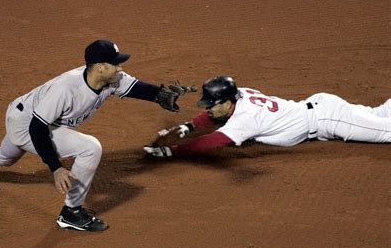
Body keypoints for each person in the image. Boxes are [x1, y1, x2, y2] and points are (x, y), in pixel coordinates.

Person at [0, 39, 195, 232]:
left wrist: (159, 94)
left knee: (3, 157)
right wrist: (56, 167)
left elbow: (135, 88)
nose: (120, 67)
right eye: (115, 63)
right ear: (99, 66)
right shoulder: (66, 89)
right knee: (90, 148)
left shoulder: (110, 79)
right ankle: (71, 212)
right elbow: (38, 129)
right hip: (27, 123)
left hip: (32, 118)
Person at [143, 75, 391, 157]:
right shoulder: (242, 93)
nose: (207, 109)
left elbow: (212, 141)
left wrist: (173, 150)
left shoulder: (245, 120)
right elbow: (214, 116)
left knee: (385, 132)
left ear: (228, 101)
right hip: (323, 108)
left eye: (211, 104)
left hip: (329, 118)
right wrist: (189, 124)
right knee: (380, 114)